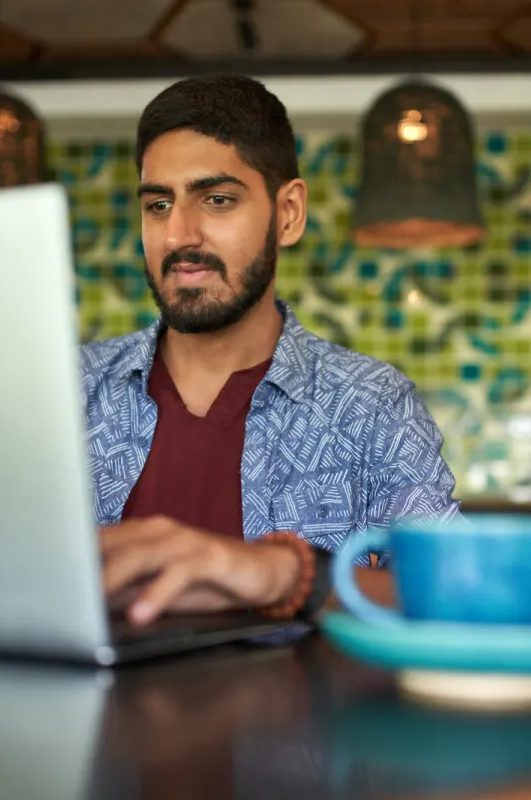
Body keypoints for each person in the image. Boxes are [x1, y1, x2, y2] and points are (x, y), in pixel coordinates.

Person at [79, 73, 460, 628]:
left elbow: (453, 592)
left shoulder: (372, 408)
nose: (180, 234)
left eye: (216, 199)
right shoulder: (68, 393)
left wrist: (286, 574)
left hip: (297, 717)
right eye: (158, 205)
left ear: (288, 214)